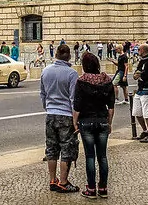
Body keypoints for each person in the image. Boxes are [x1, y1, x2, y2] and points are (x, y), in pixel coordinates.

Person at [73, 52, 115, 199]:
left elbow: (77, 105)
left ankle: (91, 189)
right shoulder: (107, 81)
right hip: (102, 120)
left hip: (86, 121)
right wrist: (109, 123)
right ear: (97, 64)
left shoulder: (82, 81)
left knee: (90, 157)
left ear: (84, 66)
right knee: (102, 157)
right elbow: (111, 107)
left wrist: (74, 123)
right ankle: (103, 188)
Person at [40, 44, 79, 193]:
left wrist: (48, 107)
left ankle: (52, 180)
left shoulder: (45, 71)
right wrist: (75, 120)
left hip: (50, 114)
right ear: (69, 56)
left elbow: (42, 94)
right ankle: (63, 181)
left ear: (56, 54)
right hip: (66, 115)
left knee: (51, 148)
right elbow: (73, 99)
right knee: (66, 148)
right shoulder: (71, 73)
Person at [132, 43, 148, 142]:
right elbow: (136, 73)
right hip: (140, 89)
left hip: (147, 89)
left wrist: (139, 75)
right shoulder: (141, 61)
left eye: (139, 50)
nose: (138, 51)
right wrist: (137, 75)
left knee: (147, 113)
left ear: (143, 51)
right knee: (137, 112)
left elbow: (147, 75)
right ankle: (145, 130)